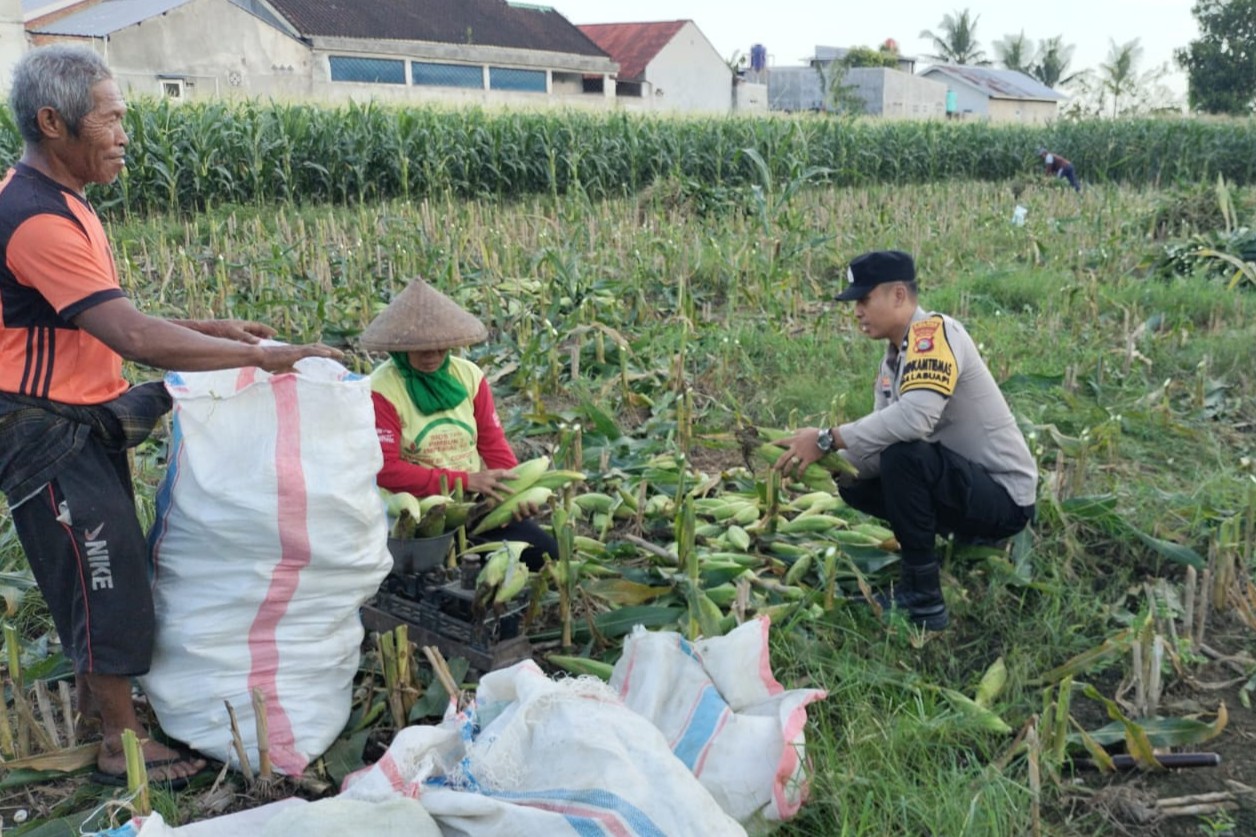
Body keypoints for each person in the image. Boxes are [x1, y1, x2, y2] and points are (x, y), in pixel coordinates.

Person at [0, 44, 343, 787]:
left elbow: (106, 316)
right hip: (42, 425)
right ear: (54, 122)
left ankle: (104, 710)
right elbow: (133, 337)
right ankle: (118, 742)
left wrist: (213, 333)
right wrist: (261, 361)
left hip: (82, 409)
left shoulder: (61, 200)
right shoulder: (34, 217)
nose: (125, 134)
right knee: (103, 572)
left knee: (105, 564)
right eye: (112, 119)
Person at [774, 250, 1037, 630]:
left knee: (905, 457)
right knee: (854, 483)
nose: (857, 312)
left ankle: (924, 600)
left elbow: (914, 420)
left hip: (1004, 497)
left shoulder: (935, 334)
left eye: (864, 299)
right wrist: (828, 465)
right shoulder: (892, 361)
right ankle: (931, 554)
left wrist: (827, 439)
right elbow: (877, 443)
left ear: (898, 295)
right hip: (963, 487)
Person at [362, 279, 559, 571]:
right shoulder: (382, 389)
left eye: (440, 347)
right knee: (437, 575)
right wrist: (464, 480)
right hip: (414, 514)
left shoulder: (469, 376)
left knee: (545, 554)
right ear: (401, 346)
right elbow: (386, 469)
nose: (432, 355)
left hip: (471, 503)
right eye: (421, 348)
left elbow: (493, 444)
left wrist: (515, 491)